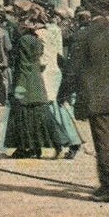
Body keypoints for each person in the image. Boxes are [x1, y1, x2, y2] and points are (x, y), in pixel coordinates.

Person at [61, 4, 109, 202]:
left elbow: (72, 69)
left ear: (91, 11)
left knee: (103, 143)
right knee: (106, 140)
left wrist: (63, 93)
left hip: (95, 96)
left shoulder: (84, 35)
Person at [2, 15, 53, 159]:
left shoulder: (23, 41)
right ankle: (36, 147)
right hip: (36, 80)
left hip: (23, 80)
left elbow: (18, 59)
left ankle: (23, 147)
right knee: (35, 115)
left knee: (21, 114)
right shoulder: (38, 41)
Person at [41, 10, 82, 159]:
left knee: (52, 109)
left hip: (46, 71)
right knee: (59, 107)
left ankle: (64, 142)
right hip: (56, 70)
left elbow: (44, 57)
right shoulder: (56, 30)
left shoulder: (44, 32)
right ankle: (71, 140)